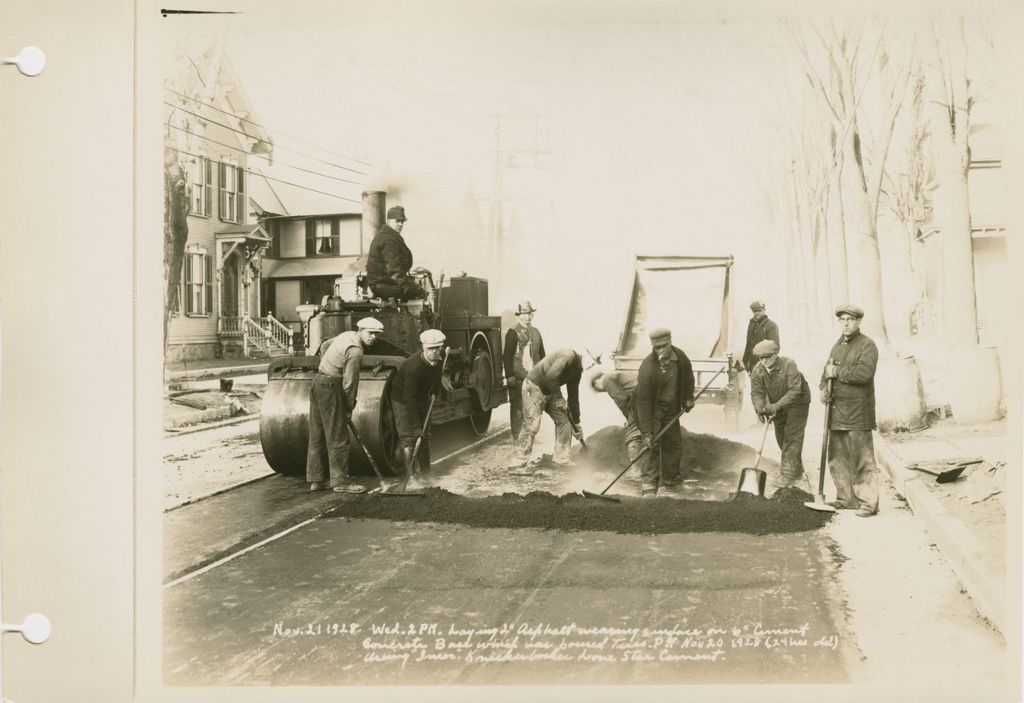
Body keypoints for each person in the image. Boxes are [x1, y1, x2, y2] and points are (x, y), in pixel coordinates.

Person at [307, 317, 385, 493]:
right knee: (338, 436)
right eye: (370, 333)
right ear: (361, 330)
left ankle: (316, 480)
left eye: (377, 334)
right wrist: (348, 408)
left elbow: (326, 345)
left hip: (318, 382)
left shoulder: (346, 335)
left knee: (317, 434)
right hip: (331, 386)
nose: (373, 337)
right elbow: (350, 384)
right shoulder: (356, 351)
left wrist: (326, 363)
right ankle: (341, 482)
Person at [820, 304, 880, 517]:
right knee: (838, 459)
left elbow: (864, 373)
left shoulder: (867, 345)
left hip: (857, 412)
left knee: (861, 460)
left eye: (850, 319)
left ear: (859, 322)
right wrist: (822, 391)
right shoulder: (837, 346)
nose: (845, 323)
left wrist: (836, 371)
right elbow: (825, 375)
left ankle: (868, 503)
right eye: (842, 319)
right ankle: (846, 499)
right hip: (836, 413)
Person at [634, 328, 695, 497]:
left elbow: (688, 377)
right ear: (653, 347)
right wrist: (646, 431)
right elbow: (643, 401)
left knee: (673, 444)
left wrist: (688, 398)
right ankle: (648, 484)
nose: (661, 350)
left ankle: (670, 479)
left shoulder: (680, 357)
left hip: (671, 408)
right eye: (657, 347)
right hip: (651, 409)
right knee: (650, 445)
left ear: (670, 342)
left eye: (664, 346)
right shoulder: (647, 367)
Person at [748, 339, 811, 490]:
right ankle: (795, 468)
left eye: (767, 357)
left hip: (798, 403)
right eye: (760, 358)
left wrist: (775, 406)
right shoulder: (758, 370)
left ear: (776, 354)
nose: (764, 361)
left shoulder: (789, 365)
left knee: (792, 436)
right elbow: (757, 392)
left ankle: (788, 475)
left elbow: (795, 390)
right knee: (780, 436)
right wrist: (760, 409)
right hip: (779, 404)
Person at [508, 348, 583, 472]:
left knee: (565, 421)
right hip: (534, 386)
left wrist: (576, 422)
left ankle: (561, 458)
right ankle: (517, 463)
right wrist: (559, 399)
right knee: (532, 424)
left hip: (550, 390)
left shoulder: (578, 370)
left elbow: (573, 396)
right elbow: (551, 377)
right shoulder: (567, 356)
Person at [390, 329, 447, 478]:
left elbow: (438, 371)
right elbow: (410, 399)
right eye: (430, 349)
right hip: (402, 399)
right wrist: (416, 426)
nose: (434, 352)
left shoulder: (442, 356)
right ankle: (412, 479)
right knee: (410, 437)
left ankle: (426, 474)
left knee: (425, 436)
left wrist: (436, 385)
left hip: (422, 395)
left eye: (437, 348)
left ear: (441, 347)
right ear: (423, 347)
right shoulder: (413, 368)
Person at [502, 301, 546, 442]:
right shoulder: (512, 333)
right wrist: (509, 375)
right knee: (517, 409)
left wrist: (544, 375)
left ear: (532, 315)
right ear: (519, 316)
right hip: (518, 378)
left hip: (535, 378)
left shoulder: (536, 333)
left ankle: (528, 438)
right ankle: (517, 439)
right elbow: (507, 356)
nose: (527, 317)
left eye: (529, 314)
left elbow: (543, 356)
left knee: (533, 409)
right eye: (524, 314)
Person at [365, 205, 427, 300]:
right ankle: (414, 314)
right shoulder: (388, 239)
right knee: (420, 292)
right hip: (383, 285)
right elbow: (394, 269)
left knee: (413, 287)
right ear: (389, 221)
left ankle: (406, 313)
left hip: (383, 283)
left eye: (402, 221)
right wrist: (407, 286)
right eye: (397, 221)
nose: (400, 224)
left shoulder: (389, 235)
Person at [591, 370, 643, 466]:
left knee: (633, 434)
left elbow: (622, 399)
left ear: (596, 381)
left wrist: (629, 418)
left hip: (642, 397)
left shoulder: (605, 379)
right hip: (649, 394)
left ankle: (635, 471)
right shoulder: (618, 375)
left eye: (598, 389)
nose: (602, 391)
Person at [741, 300, 781, 374]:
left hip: (765, 363)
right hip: (753, 363)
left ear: (764, 310)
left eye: (759, 310)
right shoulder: (752, 324)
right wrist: (745, 360)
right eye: (755, 311)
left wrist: (769, 364)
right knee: (755, 383)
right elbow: (748, 343)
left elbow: (775, 347)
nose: (757, 313)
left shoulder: (771, 325)